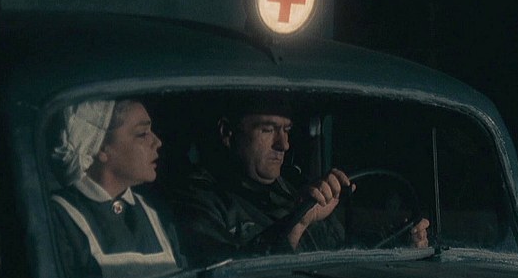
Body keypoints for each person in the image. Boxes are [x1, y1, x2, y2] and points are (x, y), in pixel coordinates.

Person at [172, 99, 430, 263]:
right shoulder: (198, 199)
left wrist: (397, 242)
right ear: (228, 133)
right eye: (267, 129)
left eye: (286, 130)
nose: (283, 144)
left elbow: (339, 253)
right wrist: (298, 223)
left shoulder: (294, 188)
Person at [50, 100, 184, 278]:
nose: (157, 142)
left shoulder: (155, 212)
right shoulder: (59, 218)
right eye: (142, 134)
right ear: (102, 148)